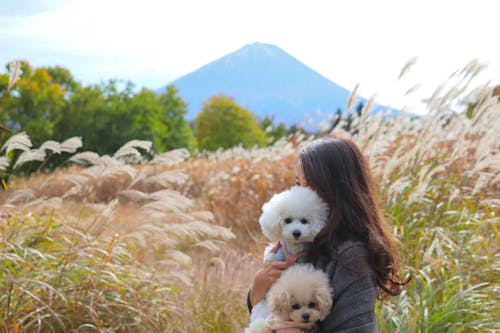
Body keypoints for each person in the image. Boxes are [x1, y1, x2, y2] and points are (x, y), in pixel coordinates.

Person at [247, 134, 409, 332]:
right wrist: (256, 293)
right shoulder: (302, 242)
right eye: (299, 184)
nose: (302, 193)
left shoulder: (351, 256)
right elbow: (266, 306)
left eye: (311, 186)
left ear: (337, 190)